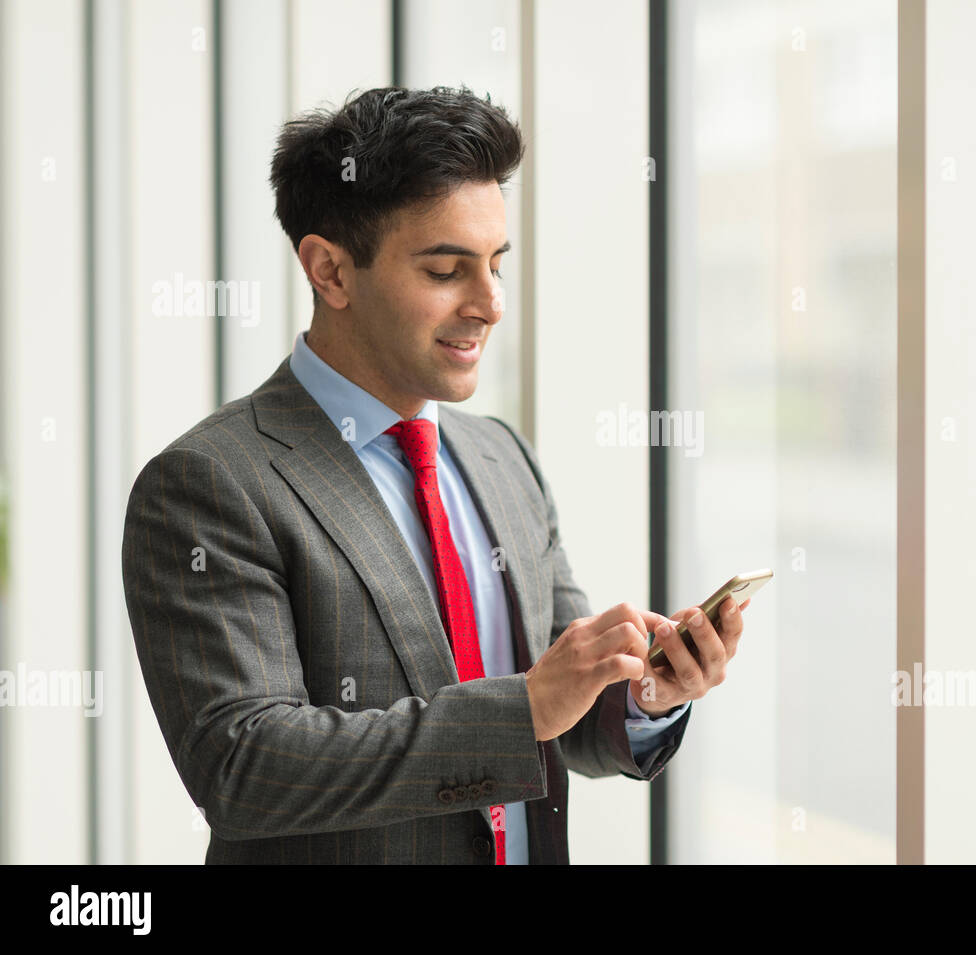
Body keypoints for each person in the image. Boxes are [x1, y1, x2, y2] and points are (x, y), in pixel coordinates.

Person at [120, 85, 749, 864]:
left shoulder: (500, 458)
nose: (490, 304)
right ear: (330, 272)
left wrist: (650, 691)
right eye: (448, 269)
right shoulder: (210, 483)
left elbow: (565, 712)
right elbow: (245, 763)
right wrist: (520, 710)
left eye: (496, 265)